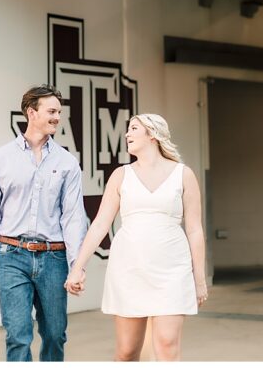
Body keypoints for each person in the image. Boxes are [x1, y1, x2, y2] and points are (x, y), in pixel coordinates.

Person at [64, 114, 208, 362]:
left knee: (167, 346)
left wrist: (199, 279)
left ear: (152, 135)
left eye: (133, 129)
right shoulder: (121, 175)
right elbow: (100, 225)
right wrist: (78, 267)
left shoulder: (184, 175)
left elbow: (195, 229)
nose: (127, 135)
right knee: (127, 351)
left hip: (172, 270)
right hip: (129, 269)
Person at [0, 84, 89, 362]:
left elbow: (73, 216)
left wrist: (77, 266)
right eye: (51, 111)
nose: (57, 117)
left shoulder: (67, 163)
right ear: (31, 112)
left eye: (59, 112)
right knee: (17, 335)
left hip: (54, 258)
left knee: (55, 333)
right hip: (11, 255)